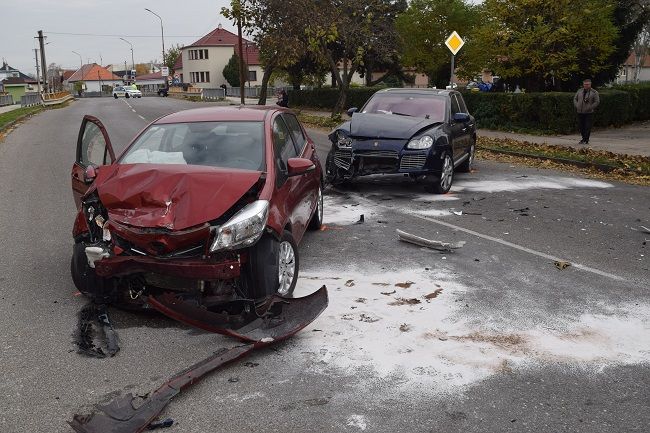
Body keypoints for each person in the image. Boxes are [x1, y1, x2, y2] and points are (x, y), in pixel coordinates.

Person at [573, 79, 600, 144]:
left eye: (587, 84)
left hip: (588, 112)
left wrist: (590, 107)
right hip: (580, 111)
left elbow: (597, 101)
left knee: (587, 126)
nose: (586, 85)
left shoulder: (594, 92)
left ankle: (586, 140)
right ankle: (583, 138)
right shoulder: (580, 91)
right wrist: (577, 105)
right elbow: (575, 98)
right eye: (585, 84)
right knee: (581, 126)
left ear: (590, 84)